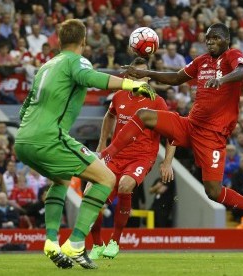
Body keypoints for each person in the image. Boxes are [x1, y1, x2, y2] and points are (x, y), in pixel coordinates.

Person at [102, 23, 243, 244]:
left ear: (226, 40)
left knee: (213, 192)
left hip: (212, 136)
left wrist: (222, 80)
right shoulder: (201, 61)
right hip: (190, 125)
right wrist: (145, 73)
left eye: (215, 38)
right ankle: (107, 155)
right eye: (207, 38)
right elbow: (176, 78)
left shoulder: (232, 56)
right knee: (144, 114)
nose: (210, 42)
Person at [14, 19, 155, 269]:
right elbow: (89, 77)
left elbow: (25, 106)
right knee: (106, 178)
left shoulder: (46, 66)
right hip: (50, 136)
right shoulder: (75, 60)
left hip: (23, 139)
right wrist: (131, 84)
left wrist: (30, 133)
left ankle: (50, 241)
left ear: (59, 40)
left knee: (61, 180)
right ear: (84, 41)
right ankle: (77, 242)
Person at [88, 57, 175, 260]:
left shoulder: (157, 102)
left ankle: (115, 242)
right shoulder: (119, 97)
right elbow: (109, 116)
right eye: (138, 75)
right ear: (128, 77)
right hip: (116, 156)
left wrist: (167, 161)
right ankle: (97, 244)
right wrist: (102, 145)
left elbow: (173, 133)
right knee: (93, 197)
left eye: (145, 75)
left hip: (142, 157)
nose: (143, 79)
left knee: (126, 185)